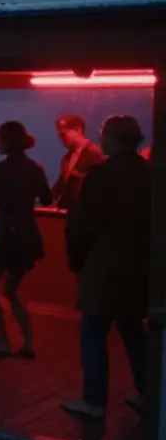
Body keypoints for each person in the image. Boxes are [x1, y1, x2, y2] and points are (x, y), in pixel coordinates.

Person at [62, 116, 152, 419]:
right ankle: (149, 394)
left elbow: (84, 224)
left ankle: (94, 401)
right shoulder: (150, 174)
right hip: (139, 265)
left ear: (110, 138)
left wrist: (76, 260)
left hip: (103, 265)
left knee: (93, 332)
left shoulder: (101, 176)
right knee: (133, 332)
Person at [0, 120, 51, 357]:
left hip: (5, 234)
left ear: (6, 141)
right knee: (12, 289)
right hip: (27, 234)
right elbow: (47, 199)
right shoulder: (35, 169)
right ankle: (28, 343)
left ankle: (3, 339)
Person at [52, 114, 106, 210]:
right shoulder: (68, 156)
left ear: (78, 130)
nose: (61, 139)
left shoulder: (94, 154)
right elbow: (62, 182)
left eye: (63, 134)